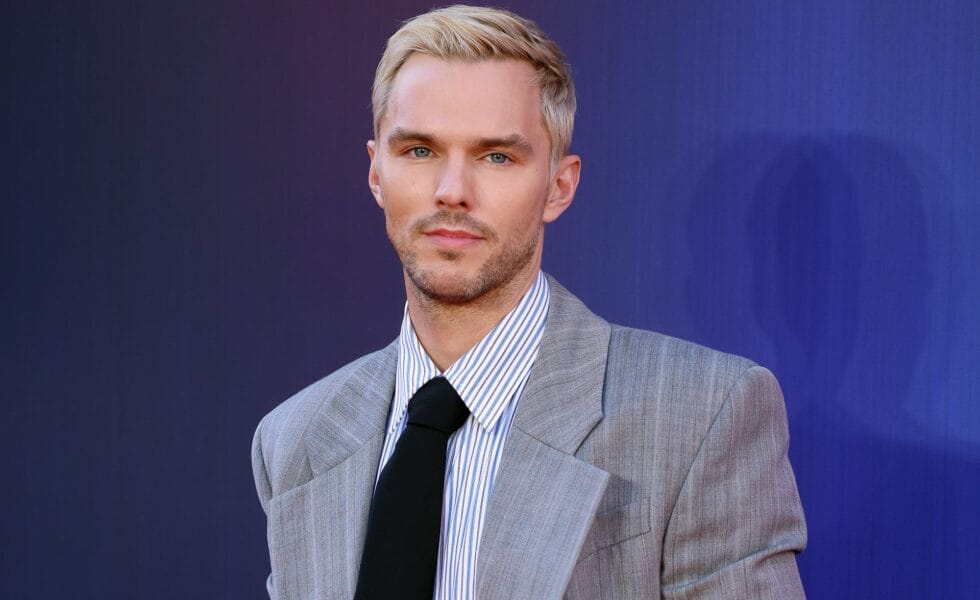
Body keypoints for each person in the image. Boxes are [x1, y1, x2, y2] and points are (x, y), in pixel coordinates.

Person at [251, 5, 807, 599]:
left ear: (559, 186)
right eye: (419, 151)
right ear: (376, 174)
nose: (451, 191)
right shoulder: (295, 440)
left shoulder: (702, 416)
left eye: (496, 156)